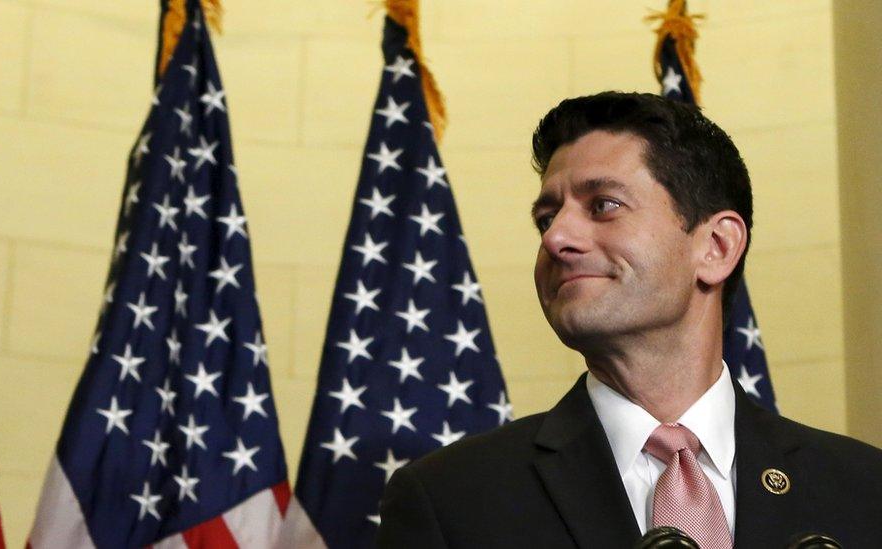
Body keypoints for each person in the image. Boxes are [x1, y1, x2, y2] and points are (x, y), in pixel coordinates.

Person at [376, 92, 882, 548]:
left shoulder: (863, 489)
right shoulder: (450, 499)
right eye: (546, 218)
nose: (556, 239)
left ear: (716, 247)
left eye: (604, 206)